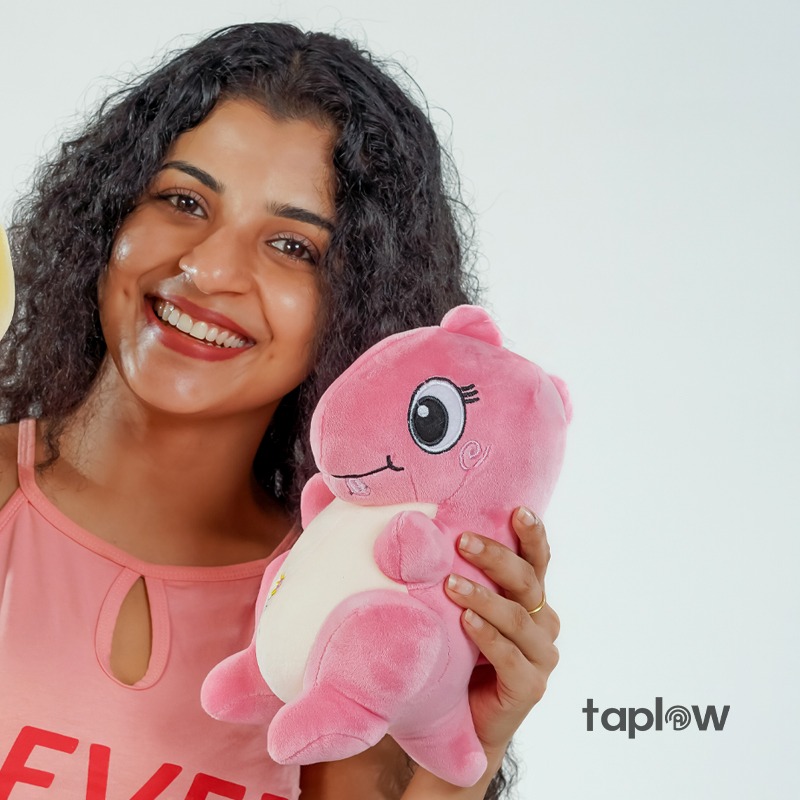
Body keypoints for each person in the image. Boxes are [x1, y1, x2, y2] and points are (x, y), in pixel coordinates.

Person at [0, 22, 560, 800]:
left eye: (293, 246)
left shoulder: (346, 607)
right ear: (108, 215)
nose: (208, 269)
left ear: (356, 310)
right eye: (183, 200)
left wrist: (461, 747)